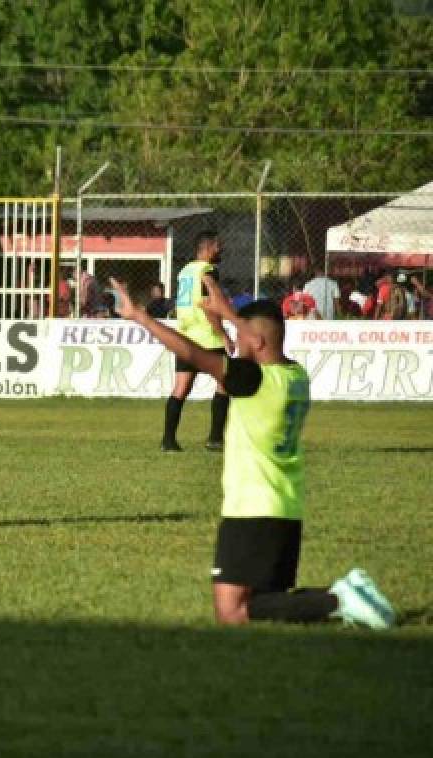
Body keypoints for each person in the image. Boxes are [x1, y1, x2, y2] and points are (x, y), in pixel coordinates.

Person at [109, 274, 396, 629]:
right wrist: (229, 314)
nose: (233, 342)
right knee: (261, 603)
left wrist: (141, 317)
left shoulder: (253, 381)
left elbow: (192, 354)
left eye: (241, 336)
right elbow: (258, 336)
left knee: (232, 611)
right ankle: (348, 593)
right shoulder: (295, 376)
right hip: (285, 507)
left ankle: (339, 599)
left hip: (252, 509)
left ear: (256, 342)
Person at [161, 231, 233, 453]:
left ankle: (168, 440)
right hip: (207, 336)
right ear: (209, 248)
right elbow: (208, 304)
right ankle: (215, 438)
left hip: (185, 336)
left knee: (180, 388)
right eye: (218, 246)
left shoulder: (185, 272)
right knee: (225, 383)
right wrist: (223, 334)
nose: (220, 250)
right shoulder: (207, 270)